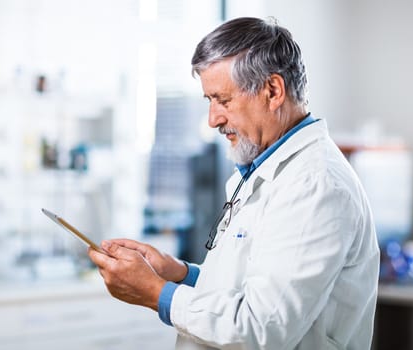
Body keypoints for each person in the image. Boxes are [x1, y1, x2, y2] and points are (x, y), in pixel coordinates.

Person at [88, 16, 380, 350]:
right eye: (209, 101)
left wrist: (156, 293)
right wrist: (180, 274)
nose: (213, 119)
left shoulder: (314, 185)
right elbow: (249, 287)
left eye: (223, 100)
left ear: (272, 91)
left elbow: (260, 327)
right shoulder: (265, 169)